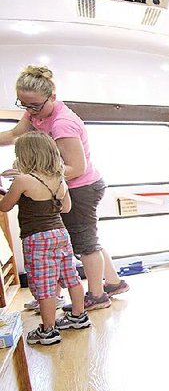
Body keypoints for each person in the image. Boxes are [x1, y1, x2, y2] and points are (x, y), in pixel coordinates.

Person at [0, 65, 129, 312]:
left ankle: (97, 295)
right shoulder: (34, 114)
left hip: (82, 187)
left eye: (35, 105)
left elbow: (76, 167)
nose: (30, 111)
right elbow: (15, 134)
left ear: (52, 96)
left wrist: (33, 176)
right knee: (88, 237)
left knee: (84, 243)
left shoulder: (62, 123)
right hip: (69, 184)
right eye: (24, 105)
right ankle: (112, 282)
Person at [0, 131, 89, 345]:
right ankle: (79, 316)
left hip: (36, 238)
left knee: (44, 285)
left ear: (25, 156)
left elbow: (5, 206)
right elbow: (66, 208)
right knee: (71, 277)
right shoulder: (59, 179)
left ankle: (48, 330)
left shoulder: (22, 180)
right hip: (60, 234)